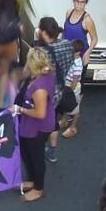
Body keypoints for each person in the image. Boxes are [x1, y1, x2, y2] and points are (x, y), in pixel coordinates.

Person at [9, 47, 55, 203]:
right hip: (31, 124)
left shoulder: (39, 88)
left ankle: (38, 189)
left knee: (36, 157)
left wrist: (20, 109)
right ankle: (33, 181)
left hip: (37, 127)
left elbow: (40, 113)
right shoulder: (45, 73)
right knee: (27, 153)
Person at [37, 17, 75, 164]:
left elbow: (35, 74)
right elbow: (70, 62)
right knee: (53, 122)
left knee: (41, 125)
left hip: (47, 95)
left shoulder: (41, 52)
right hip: (61, 91)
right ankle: (52, 152)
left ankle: (38, 151)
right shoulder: (67, 45)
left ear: (43, 32)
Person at [63, 0, 98, 64]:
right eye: (77, 1)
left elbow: (94, 39)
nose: (79, 4)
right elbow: (66, 31)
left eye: (82, 2)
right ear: (73, 0)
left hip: (80, 56)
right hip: (67, 54)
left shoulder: (87, 20)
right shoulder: (69, 12)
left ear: (86, 3)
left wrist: (87, 53)